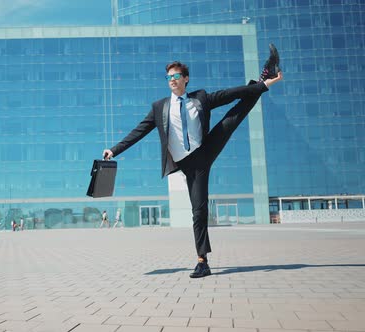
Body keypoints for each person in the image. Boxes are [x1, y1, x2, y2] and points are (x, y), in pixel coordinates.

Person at [102, 44, 283, 278]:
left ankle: (263, 77)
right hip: (188, 164)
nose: (171, 79)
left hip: (205, 151)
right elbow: (139, 131)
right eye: (168, 77)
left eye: (176, 75)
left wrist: (264, 86)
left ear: (185, 79)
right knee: (198, 212)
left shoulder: (201, 98)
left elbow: (230, 94)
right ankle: (203, 259)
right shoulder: (160, 107)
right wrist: (115, 150)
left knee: (234, 115)